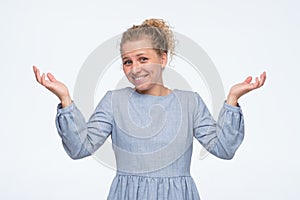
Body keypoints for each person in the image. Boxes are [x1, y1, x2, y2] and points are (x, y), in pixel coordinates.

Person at [33, 18, 266, 200]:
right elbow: (79, 148)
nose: (135, 69)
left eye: (143, 59)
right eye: (127, 61)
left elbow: (224, 149)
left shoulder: (189, 102)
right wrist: (65, 98)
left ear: (162, 59)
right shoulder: (114, 101)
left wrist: (233, 99)